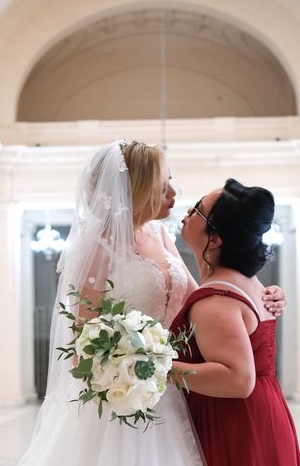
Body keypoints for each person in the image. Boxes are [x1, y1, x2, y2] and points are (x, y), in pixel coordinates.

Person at [19, 142, 286, 466]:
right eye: (163, 185)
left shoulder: (159, 233)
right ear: (139, 191)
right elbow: (82, 353)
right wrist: (128, 366)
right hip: (127, 401)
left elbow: (202, 298)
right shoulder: (96, 252)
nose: (174, 191)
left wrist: (258, 296)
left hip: (175, 390)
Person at [170, 178, 300, 466]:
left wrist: (158, 368)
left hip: (235, 423)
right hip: (264, 414)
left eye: (196, 210)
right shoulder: (250, 283)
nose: (186, 214)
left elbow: (238, 380)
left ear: (215, 238)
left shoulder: (215, 299)